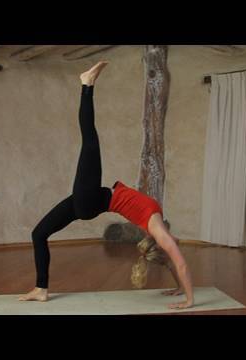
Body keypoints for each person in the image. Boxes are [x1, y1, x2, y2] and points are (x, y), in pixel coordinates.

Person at [19, 61, 194, 310]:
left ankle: (86, 84)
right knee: (38, 234)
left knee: (90, 141)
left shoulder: (159, 231)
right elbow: (172, 262)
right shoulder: (159, 228)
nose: (176, 242)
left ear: (163, 242)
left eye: (172, 244)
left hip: (91, 199)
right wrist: (178, 287)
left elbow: (181, 263)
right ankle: (41, 288)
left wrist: (189, 300)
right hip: (94, 201)